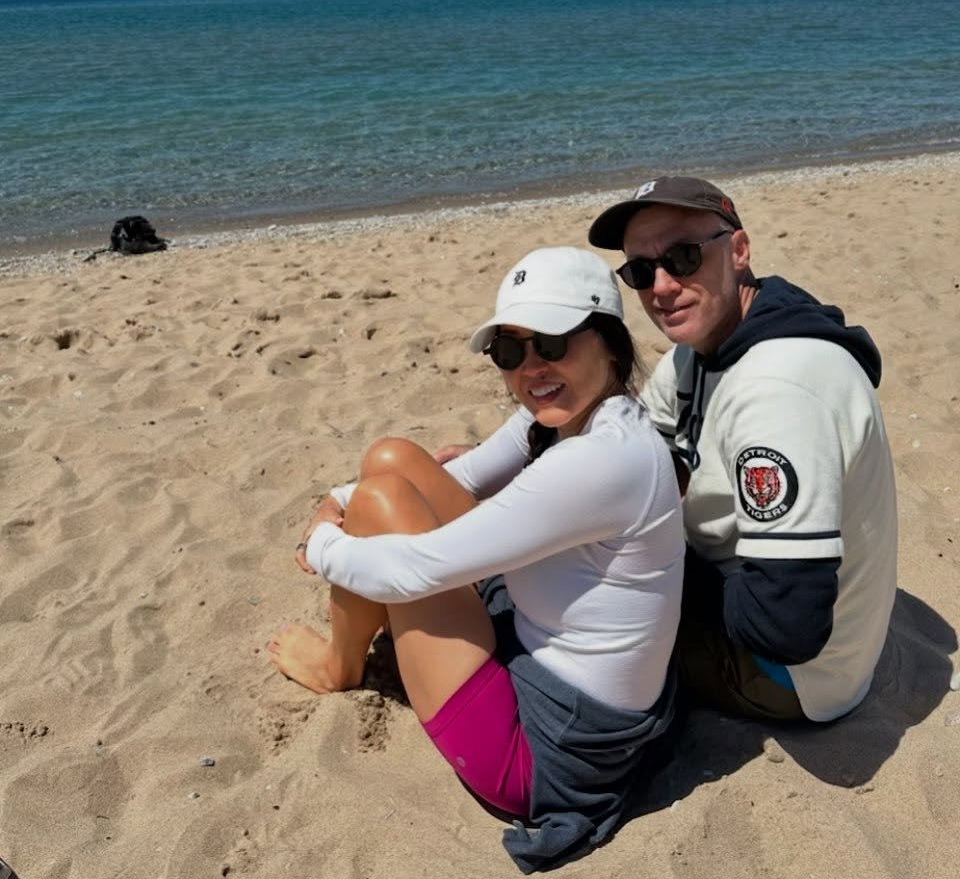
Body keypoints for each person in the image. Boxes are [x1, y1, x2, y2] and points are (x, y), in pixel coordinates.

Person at [269, 247, 684, 871]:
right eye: (510, 351)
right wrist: (337, 498)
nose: (532, 368)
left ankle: (339, 665)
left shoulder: (601, 460)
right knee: (390, 460)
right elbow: (457, 478)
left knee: (380, 506)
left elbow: (415, 569)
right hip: (533, 642)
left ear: (610, 342)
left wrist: (321, 543)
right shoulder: (575, 416)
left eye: (553, 342)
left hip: (545, 753)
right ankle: (354, 629)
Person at [587, 175, 898, 724]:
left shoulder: (777, 391)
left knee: (572, 594)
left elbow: (787, 628)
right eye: (640, 271)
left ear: (738, 250)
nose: (662, 286)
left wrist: (658, 564)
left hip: (795, 681)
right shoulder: (704, 346)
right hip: (792, 622)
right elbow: (635, 450)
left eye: (683, 257)